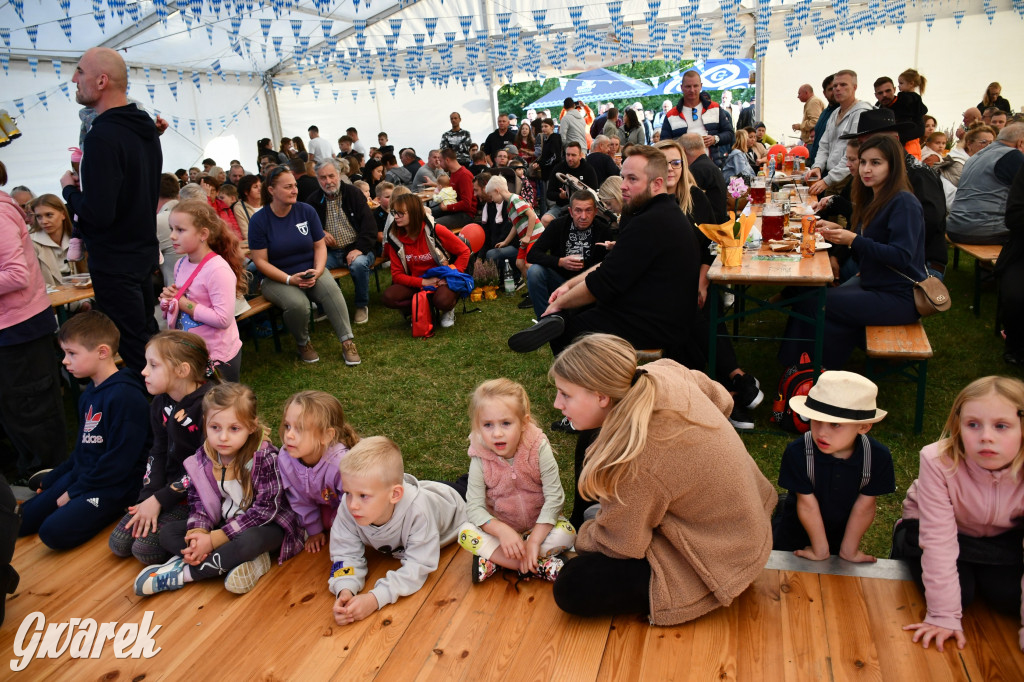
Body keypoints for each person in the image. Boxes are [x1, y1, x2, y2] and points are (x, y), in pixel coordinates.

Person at [547, 334, 776, 623]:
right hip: (748, 516)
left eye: (565, 394)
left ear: (601, 396)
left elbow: (620, 545)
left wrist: (586, 534)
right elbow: (720, 399)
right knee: (593, 438)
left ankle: (589, 521)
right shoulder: (660, 371)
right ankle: (602, 515)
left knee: (573, 584)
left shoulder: (636, 461)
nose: (557, 404)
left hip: (724, 556)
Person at [509, 146, 699, 358]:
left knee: (570, 332)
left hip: (657, 325)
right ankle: (561, 327)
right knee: (574, 314)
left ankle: (581, 386)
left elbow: (605, 282)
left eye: (632, 179)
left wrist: (558, 303)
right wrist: (569, 286)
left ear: (657, 184)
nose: (624, 186)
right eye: (623, 177)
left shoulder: (650, 222)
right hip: (659, 316)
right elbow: (612, 265)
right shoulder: (659, 213)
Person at [891, 376, 1024, 653]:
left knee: (1008, 597)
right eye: (972, 425)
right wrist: (944, 615)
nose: (986, 436)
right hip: (932, 530)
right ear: (958, 426)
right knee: (958, 597)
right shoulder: (937, 461)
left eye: (1001, 426)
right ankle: (904, 544)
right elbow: (938, 540)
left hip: (1000, 538)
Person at [135, 383, 304, 596]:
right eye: (215, 428)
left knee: (249, 542)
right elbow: (199, 502)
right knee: (169, 533)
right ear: (205, 423)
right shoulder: (203, 457)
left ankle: (183, 574)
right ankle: (233, 562)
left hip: (267, 526)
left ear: (251, 427)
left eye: (234, 429)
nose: (223, 437)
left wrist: (214, 539)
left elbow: (265, 512)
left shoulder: (264, 458)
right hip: (224, 525)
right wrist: (198, 534)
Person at [781, 135, 926, 369]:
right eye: (864, 162)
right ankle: (806, 371)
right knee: (813, 300)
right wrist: (837, 229)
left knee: (814, 304)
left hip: (899, 295)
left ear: (893, 165)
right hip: (874, 282)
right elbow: (869, 241)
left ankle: (805, 372)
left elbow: (901, 256)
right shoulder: (876, 197)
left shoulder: (903, 202)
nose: (866, 169)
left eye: (876, 163)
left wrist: (853, 240)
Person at [59, 47, 161, 373]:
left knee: (135, 351)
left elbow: (99, 213)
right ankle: (173, 411)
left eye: (80, 72)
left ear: (102, 81)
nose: (74, 79)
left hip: (117, 263)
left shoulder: (102, 136)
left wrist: (69, 192)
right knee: (148, 342)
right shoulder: (144, 128)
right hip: (141, 256)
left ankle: (162, 417)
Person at [20, 311, 150, 550]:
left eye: (72, 353)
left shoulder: (126, 397)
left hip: (117, 485)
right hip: (87, 475)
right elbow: (82, 450)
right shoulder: (89, 392)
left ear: (102, 352)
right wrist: (54, 479)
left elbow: (119, 463)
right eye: (65, 353)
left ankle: (111, 510)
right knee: (22, 519)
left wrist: (73, 492)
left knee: (52, 533)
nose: (65, 361)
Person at [655, 139, 762, 429]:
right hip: (658, 286)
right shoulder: (646, 203)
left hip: (693, 278)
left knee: (705, 301)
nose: (671, 169)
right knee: (690, 309)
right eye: (664, 164)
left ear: (684, 164)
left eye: (676, 162)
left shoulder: (695, 198)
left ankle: (724, 392)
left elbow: (708, 250)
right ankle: (734, 382)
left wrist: (702, 282)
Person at [329, 436, 467, 625]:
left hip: (454, 501)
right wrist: (345, 588)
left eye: (363, 495)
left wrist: (374, 599)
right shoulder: (349, 507)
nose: (352, 504)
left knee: (486, 493)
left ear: (394, 495)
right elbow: (344, 551)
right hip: (422, 494)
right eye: (347, 493)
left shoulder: (418, 512)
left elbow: (417, 567)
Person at [109, 331, 218, 564]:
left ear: (182, 370)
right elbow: (157, 451)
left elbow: (206, 467)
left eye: (153, 365)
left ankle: (213, 538)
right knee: (118, 543)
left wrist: (160, 500)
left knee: (144, 550)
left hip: (198, 496)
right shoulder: (160, 402)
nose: (144, 371)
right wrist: (146, 499)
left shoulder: (210, 406)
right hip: (169, 491)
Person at [457, 379, 575, 582]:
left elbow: (555, 498)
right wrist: (502, 531)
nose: (497, 433)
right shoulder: (479, 455)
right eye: (487, 425)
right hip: (502, 531)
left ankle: (497, 561)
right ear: (478, 426)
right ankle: (535, 566)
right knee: (465, 533)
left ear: (524, 423)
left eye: (506, 423)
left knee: (568, 533)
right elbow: (475, 507)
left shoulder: (538, 447)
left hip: (540, 527)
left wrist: (535, 540)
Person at [772, 372, 895, 562]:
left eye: (835, 425)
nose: (822, 432)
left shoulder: (878, 457)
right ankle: (782, 507)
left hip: (841, 534)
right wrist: (820, 550)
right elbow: (807, 504)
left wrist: (849, 551)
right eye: (816, 420)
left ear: (863, 427)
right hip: (794, 535)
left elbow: (865, 505)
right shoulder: (798, 452)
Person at [247, 166, 361, 366]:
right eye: (288, 187)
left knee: (332, 291)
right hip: (276, 278)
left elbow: (319, 245)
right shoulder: (259, 220)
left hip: (310, 270)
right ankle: (303, 343)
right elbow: (260, 261)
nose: (295, 190)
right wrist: (290, 279)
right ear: (272, 190)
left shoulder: (305, 211)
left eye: (295, 186)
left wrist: (317, 271)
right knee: (297, 304)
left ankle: (347, 341)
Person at [0, 163, 67, 480]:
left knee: (32, 408)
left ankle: (48, 476)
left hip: (19, 327)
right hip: (13, 326)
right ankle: (31, 471)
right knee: (16, 407)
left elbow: (16, 275)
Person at [159, 200, 245, 381]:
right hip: (193, 352)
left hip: (218, 356)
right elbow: (183, 300)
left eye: (180, 230)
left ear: (203, 234)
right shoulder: (181, 264)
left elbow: (223, 319)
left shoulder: (217, 270)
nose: (172, 236)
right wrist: (169, 300)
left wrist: (183, 303)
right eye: (171, 229)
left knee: (223, 404)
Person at [278, 390, 359, 554]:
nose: (289, 435)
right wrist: (314, 531)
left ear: (327, 435)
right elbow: (299, 498)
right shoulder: (286, 458)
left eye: (299, 429)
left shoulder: (341, 464)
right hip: (326, 504)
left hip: (350, 506)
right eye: (287, 426)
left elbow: (354, 502)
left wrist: (342, 533)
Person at [305, 159, 379, 325]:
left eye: (331, 175)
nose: (328, 181)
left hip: (357, 247)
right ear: (317, 179)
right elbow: (306, 229)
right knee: (312, 268)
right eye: (323, 177)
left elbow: (370, 225)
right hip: (329, 252)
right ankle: (324, 307)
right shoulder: (312, 200)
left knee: (358, 264)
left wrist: (359, 249)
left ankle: (361, 305)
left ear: (339, 175)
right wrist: (320, 232)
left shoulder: (353, 193)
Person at [381, 193, 470, 328]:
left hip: (441, 278)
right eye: (394, 212)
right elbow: (397, 275)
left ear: (414, 212)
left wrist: (452, 275)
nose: (396, 217)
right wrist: (423, 282)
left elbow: (464, 251)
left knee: (443, 300)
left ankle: (447, 309)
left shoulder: (435, 229)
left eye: (401, 213)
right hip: (417, 281)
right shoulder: (394, 237)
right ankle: (420, 310)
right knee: (389, 297)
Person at [947, 123, 1024, 245]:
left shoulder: (975, 156)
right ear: (1020, 142)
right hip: (985, 230)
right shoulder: (1013, 155)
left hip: (955, 226)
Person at [805, 70, 874, 196]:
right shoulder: (834, 113)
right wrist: (818, 167)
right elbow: (824, 145)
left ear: (855, 87)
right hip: (832, 176)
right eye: (834, 86)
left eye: (843, 85)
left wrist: (828, 180)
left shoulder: (861, 113)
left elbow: (855, 154)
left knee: (841, 213)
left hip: (849, 179)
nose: (837, 89)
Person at [660, 70, 735, 168]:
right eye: (688, 86)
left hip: (712, 165)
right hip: (683, 169)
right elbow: (664, 144)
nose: (692, 90)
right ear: (681, 88)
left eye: (695, 86)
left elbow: (730, 133)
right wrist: (681, 144)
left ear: (701, 86)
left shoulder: (715, 108)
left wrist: (715, 139)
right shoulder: (671, 115)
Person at [483, 175, 543, 286]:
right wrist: (506, 242)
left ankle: (538, 287)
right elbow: (515, 226)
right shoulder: (509, 206)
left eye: (491, 196)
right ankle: (532, 288)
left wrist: (528, 236)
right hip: (527, 237)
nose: (491, 199)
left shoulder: (515, 199)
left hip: (534, 235)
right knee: (519, 263)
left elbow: (532, 216)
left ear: (497, 191)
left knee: (528, 263)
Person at [28, 194, 82, 288]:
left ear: (63, 215)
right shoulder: (30, 243)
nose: (43, 221)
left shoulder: (78, 239)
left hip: (82, 299)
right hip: (52, 300)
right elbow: (33, 282)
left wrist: (85, 301)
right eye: (38, 217)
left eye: (49, 215)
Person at [542, 142, 598, 227]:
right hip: (561, 206)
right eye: (568, 155)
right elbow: (549, 194)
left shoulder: (588, 169)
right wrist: (560, 196)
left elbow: (594, 193)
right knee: (545, 220)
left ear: (580, 155)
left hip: (582, 207)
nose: (570, 158)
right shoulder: (558, 168)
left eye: (573, 155)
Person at [680, 134, 729, 223]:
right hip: (719, 223)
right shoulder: (708, 165)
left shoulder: (696, 170)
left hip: (709, 228)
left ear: (683, 150)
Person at [434, 149, 478, 230]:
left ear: (447, 160)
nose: (439, 164)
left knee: (433, 224)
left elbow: (466, 204)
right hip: (455, 209)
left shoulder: (464, 175)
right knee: (427, 214)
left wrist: (447, 207)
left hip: (466, 214)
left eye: (440, 161)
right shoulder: (454, 173)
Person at [808, 74, 838, 166]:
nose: (835, 91)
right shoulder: (824, 112)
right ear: (824, 93)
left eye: (836, 87)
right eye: (830, 89)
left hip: (830, 168)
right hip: (817, 165)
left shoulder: (843, 113)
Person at [233, 174, 262, 240]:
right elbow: (246, 234)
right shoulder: (239, 208)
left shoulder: (269, 203)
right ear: (246, 192)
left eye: (260, 186)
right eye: (255, 187)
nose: (259, 189)